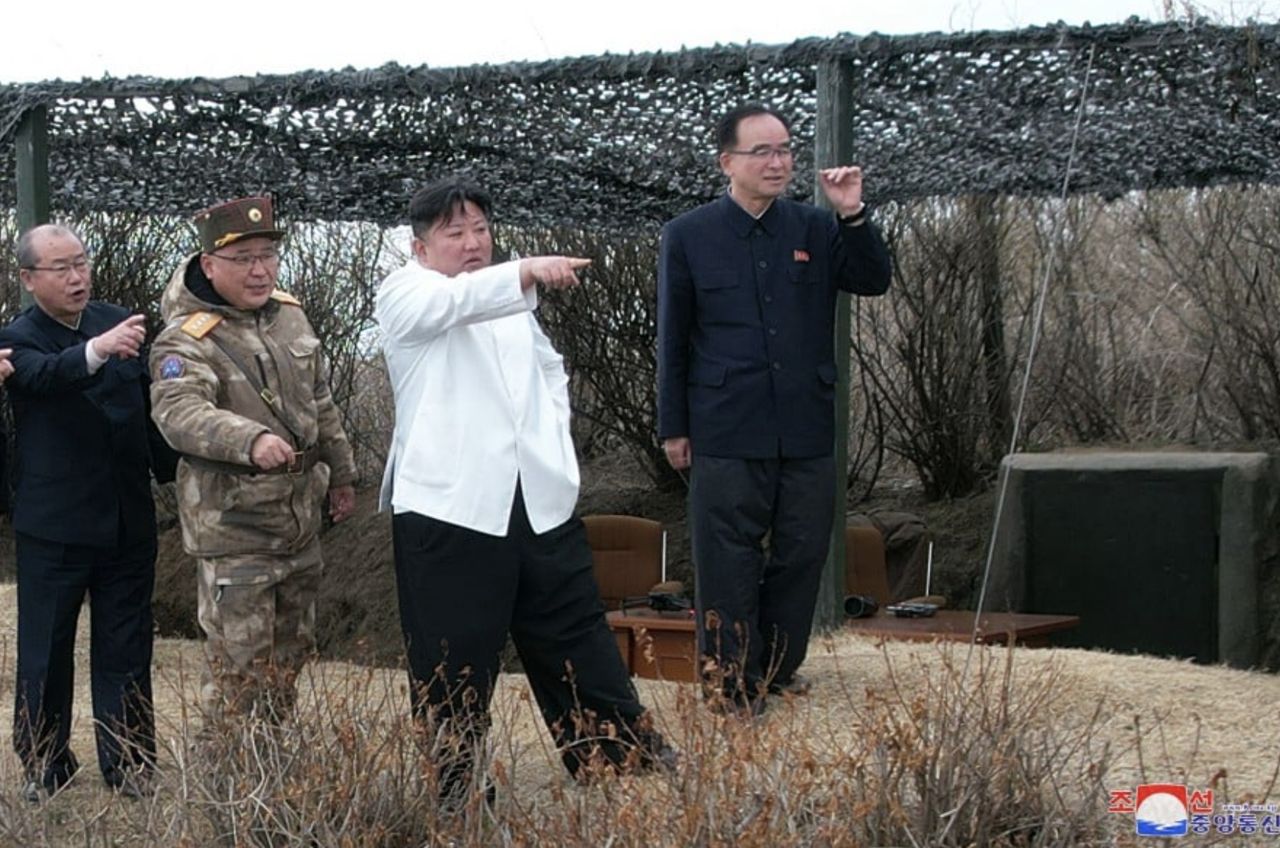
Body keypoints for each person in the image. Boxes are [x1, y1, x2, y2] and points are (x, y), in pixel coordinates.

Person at [376, 177, 674, 802]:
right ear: (420, 246)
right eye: (454, 233)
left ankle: (616, 757)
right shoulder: (405, 292)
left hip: (537, 500)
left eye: (481, 229)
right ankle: (454, 787)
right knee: (452, 653)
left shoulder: (509, 302)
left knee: (576, 633)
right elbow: (456, 304)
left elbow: (548, 370)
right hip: (447, 507)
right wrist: (527, 269)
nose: (472, 243)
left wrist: (554, 450)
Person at [657, 103, 892, 713]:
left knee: (803, 551)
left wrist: (853, 213)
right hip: (724, 427)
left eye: (785, 149)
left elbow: (872, 279)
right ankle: (730, 685)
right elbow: (674, 337)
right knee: (726, 559)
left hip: (805, 427)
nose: (778, 161)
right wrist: (673, 426)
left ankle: (777, 671)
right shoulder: (687, 235)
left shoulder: (815, 228)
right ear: (727, 162)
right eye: (761, 151)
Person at [148, 196, 357, 723]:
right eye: (243, 258)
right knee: (239, 675)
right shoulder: (185, 338)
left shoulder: (289, 317)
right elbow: (178, 412)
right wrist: (250, 440)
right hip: (234, 528)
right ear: (209, 264)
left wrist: (343, 473)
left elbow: (321, 400)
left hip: (298, 523)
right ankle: (228, 795)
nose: (260, 269)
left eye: (268, 255)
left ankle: (275, 788)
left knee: (289, 664)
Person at [0, 224, 177, 801]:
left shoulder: (117, 319)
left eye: (81, 263)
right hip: (54, 526)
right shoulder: (17, 338)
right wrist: (98, 351)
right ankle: (45, 765)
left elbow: (148, 409)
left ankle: (129, 761)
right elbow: (45, 377)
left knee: (126, 646)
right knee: (46, 651)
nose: (77, 277)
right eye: (61, 268)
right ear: (29, 279)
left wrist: (177, 469)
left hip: (128, 519)